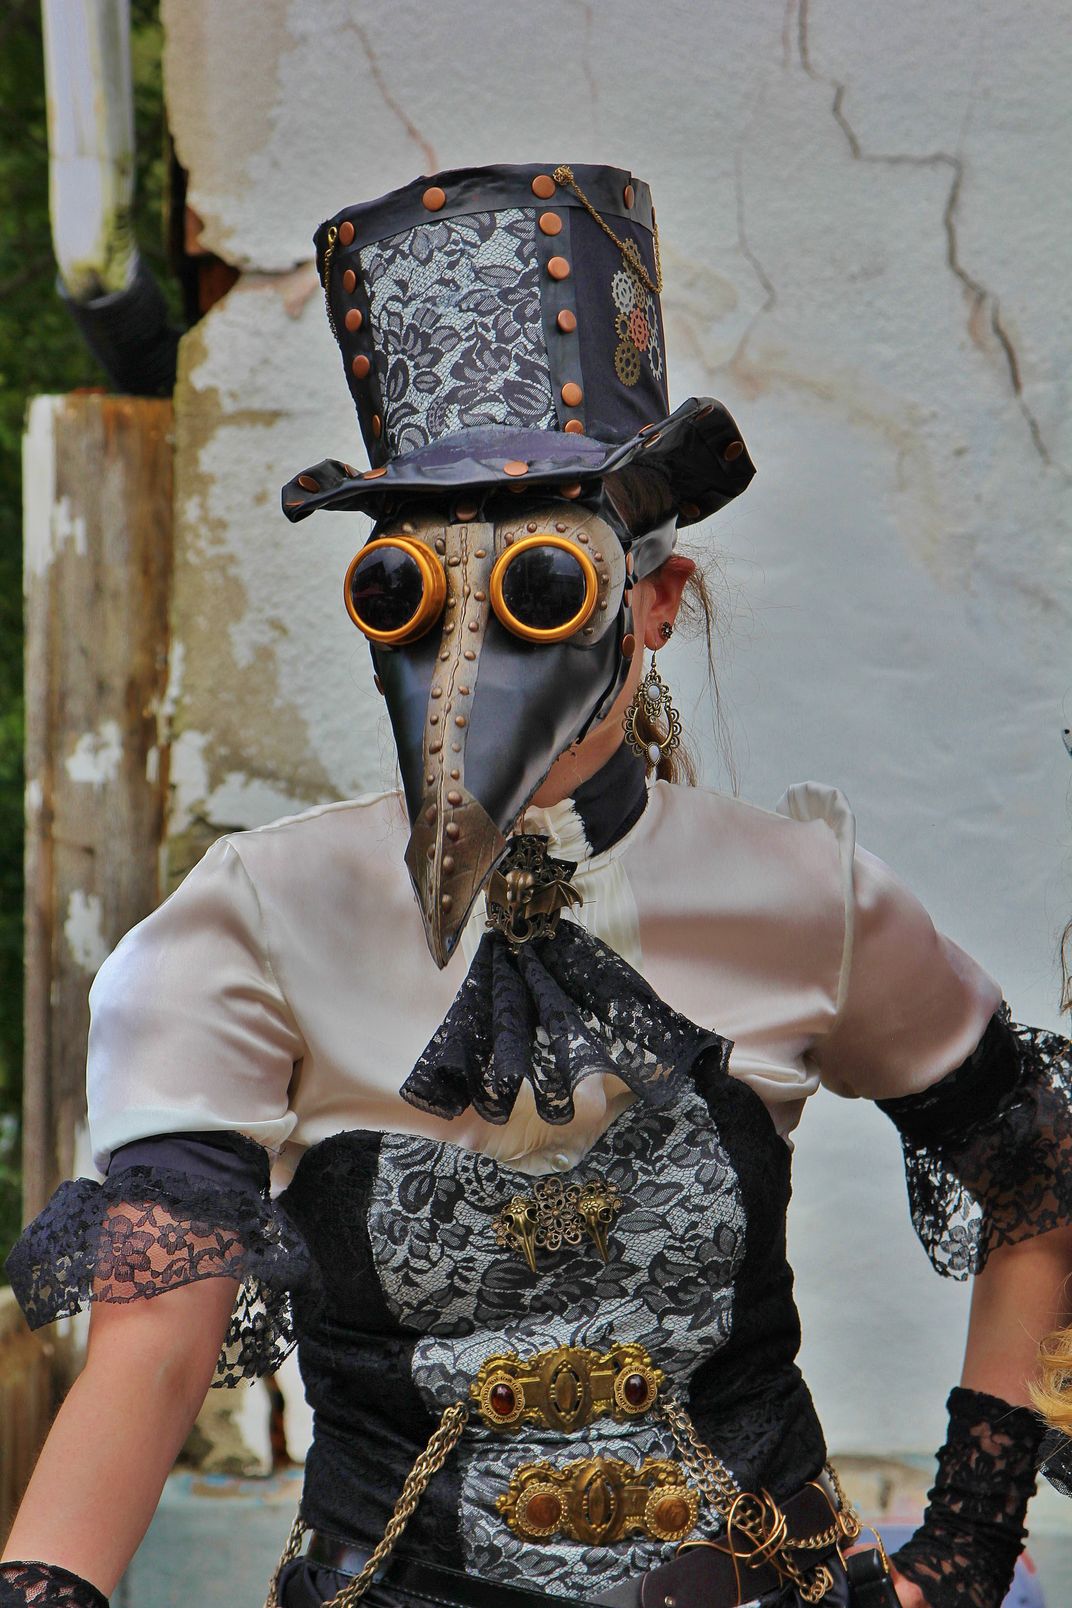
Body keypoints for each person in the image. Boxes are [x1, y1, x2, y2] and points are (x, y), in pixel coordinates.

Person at [2, 162, 1070, 1608]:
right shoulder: (248, 924)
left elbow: (1038, 1177)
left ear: (656, 601)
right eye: (409, 587)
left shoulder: (805, 900)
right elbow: (153, 1347)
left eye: (545, 580)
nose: (474, 657)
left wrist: (963, 1549)